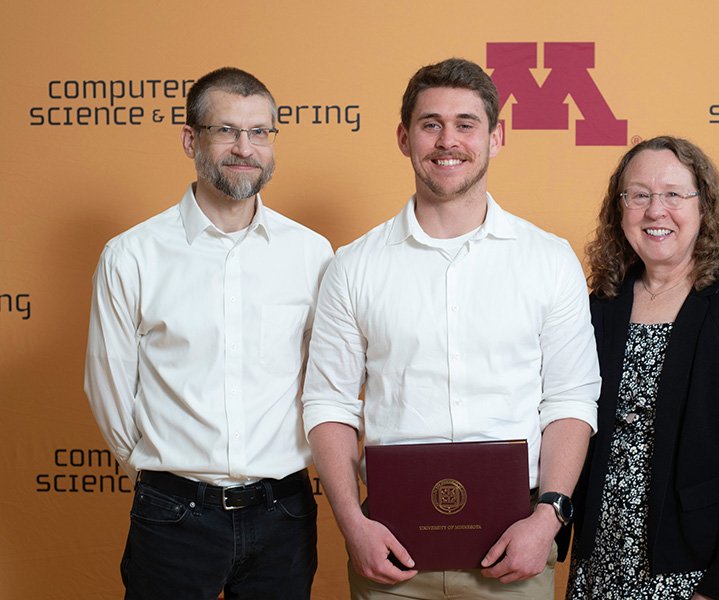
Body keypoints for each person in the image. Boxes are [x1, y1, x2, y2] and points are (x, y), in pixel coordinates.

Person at [301, 57, 601, 599]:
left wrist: (549, 518)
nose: (448, 141)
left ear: (496, 137)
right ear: (404, 137)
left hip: (516, 549)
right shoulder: (354, 266)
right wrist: (353, 524)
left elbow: (570, 401)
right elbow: (328, 405)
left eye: (466, 124)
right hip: (389, 553)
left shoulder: (549, 261)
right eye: (430, 123)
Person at [84, 67, 332, 599]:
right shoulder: (132, 255)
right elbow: (107, 390)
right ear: (190, 139)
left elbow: (325, 386)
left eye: (260, 132)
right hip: (172, 515)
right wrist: (166, 477)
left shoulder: (312, 254)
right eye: (226, 130)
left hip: (284, 513)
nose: (245, 147)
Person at [565, 136, 719, 600]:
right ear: (620, 208)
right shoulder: (599, 306)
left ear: (703, 206)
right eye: (640, 195)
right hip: (601, 565)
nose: (656, 210)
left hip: (696, 571)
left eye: (674, 194)